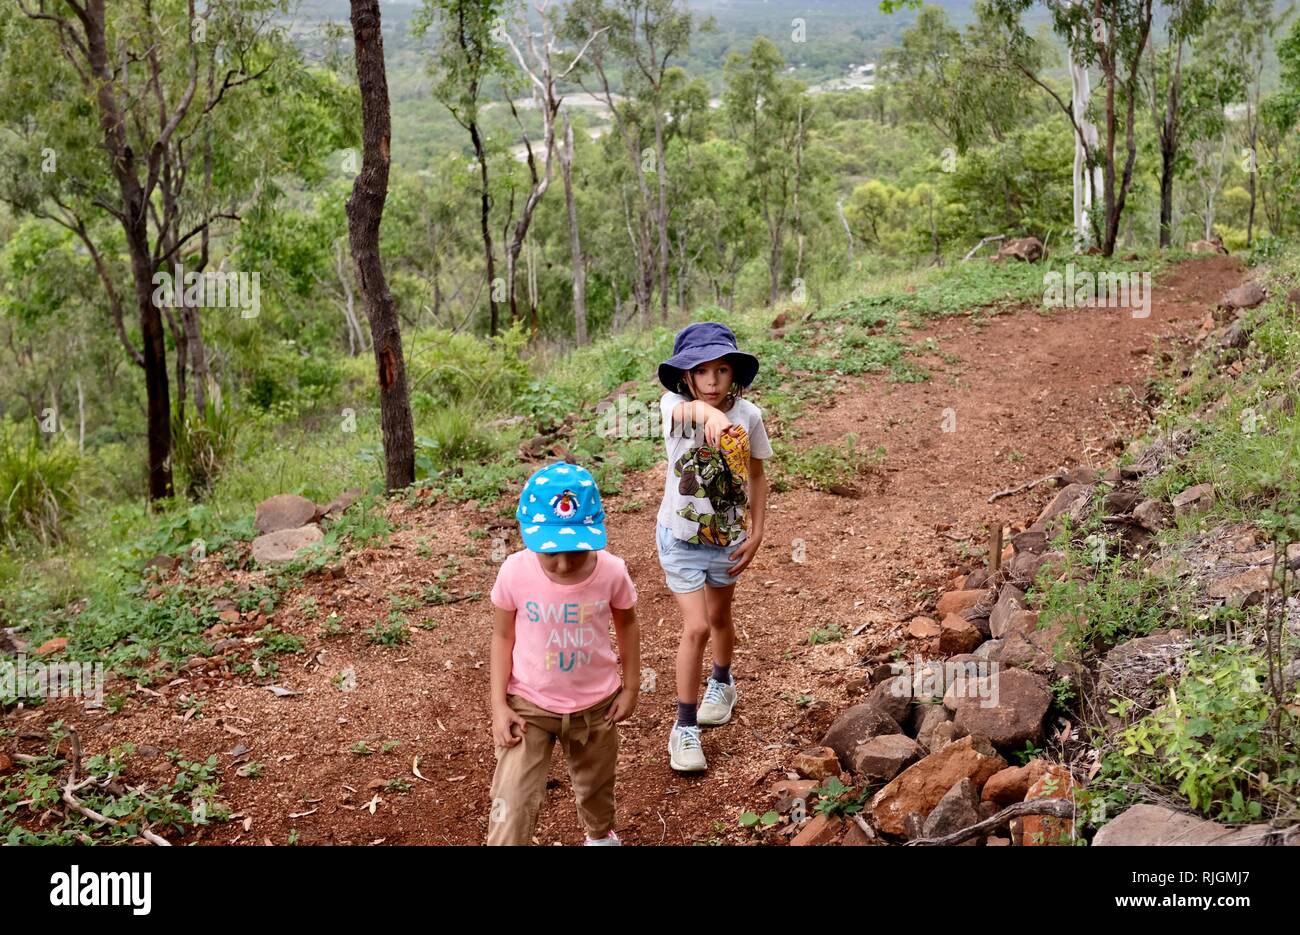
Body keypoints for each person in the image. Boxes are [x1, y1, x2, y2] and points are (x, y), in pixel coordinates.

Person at [486, 461, 640, 844]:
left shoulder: (611, 572)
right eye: (550, 550)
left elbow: (628, 624)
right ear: (528, 534)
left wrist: (631, 686)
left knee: (596, 788)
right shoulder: (514, 572)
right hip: (530, 705)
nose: (563, 562)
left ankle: (601, 836)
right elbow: (502, 637)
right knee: (513, 797)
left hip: (595, 705)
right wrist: (499, 706)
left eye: (575, 550)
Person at [656, 322, 772, 772]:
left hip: (728, 540)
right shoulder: (674, 407)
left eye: (721, 370)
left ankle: (722, 681)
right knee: (697, 627)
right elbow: (693, 416)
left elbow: (759, 476)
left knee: (721, 618)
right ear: (685, 377)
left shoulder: (751, 417)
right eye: (700, 371)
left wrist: (757, 532)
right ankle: (684, 727)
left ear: (734, 374)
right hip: (680, 539)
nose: (711, 381)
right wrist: (713, 417)